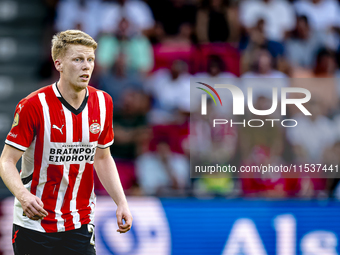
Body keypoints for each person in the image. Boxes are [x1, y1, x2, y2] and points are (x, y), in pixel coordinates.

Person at [0, 30, 133, 255]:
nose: (86, 66)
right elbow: (6, 162)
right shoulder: (33, 105)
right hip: (34, 225)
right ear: (58, 63)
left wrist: (121, 201)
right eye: (78, 59)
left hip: (79, 223)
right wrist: (23, 196)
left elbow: (102, 157)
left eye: (90, 59)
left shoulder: (103, 102)